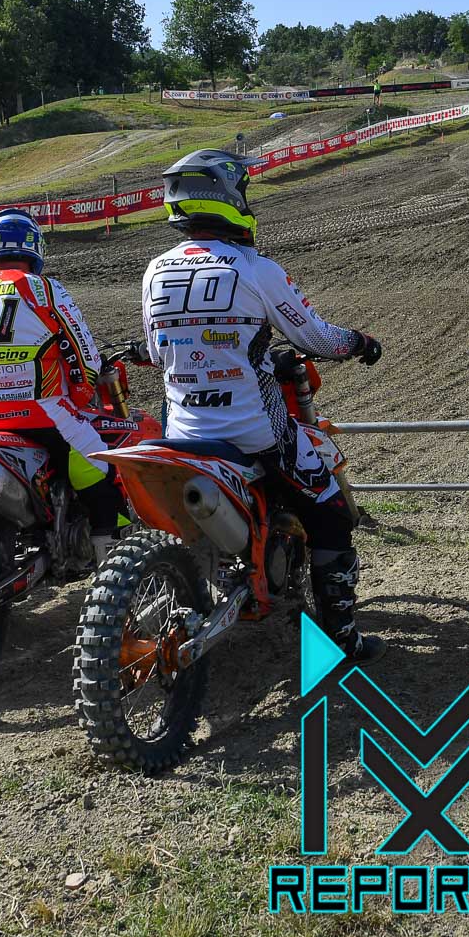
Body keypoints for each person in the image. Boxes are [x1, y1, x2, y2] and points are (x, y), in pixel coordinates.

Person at [142, 150, 386, 661]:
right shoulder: (255, 268)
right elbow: (315, 337)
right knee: (332, 515)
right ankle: (341, 639)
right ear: (228, 198)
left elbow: (157, 352)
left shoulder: (155, 271)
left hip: (183, 433)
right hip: (256, 432)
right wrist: (360, 342)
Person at [0, 208, 128, 555]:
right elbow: (85, 357)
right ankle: (112, 553)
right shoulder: (44, 289)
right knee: (101, 463)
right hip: (45, 416)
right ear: (34, 249)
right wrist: (81, 396)